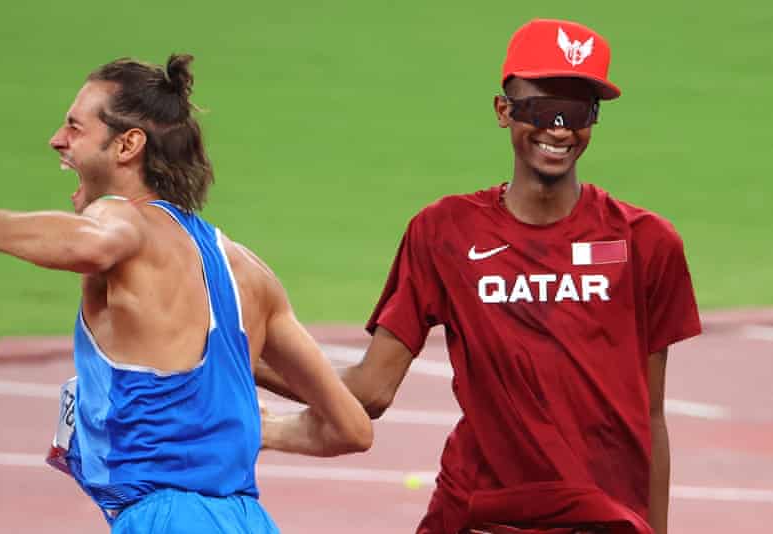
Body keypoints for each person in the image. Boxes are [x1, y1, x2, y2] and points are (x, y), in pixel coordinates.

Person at [256, 19, 700, 534]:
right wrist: (237, 362)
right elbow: (371, 391)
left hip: (602, 523)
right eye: (539, 109)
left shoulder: (645, 242)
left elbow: (651, 415)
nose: (558, 128)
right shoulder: (444, 233)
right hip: (482, 519)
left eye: (575, 112)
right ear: (503, 111)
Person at [0, 53, 373, 533]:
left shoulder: (121, 219)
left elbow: (93, 243)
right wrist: (264, 429)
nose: (57, 140)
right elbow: (351, 428)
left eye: (75, 128)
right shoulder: (249, 272)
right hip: (248, 520)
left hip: (163, 520)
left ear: (127, 145)